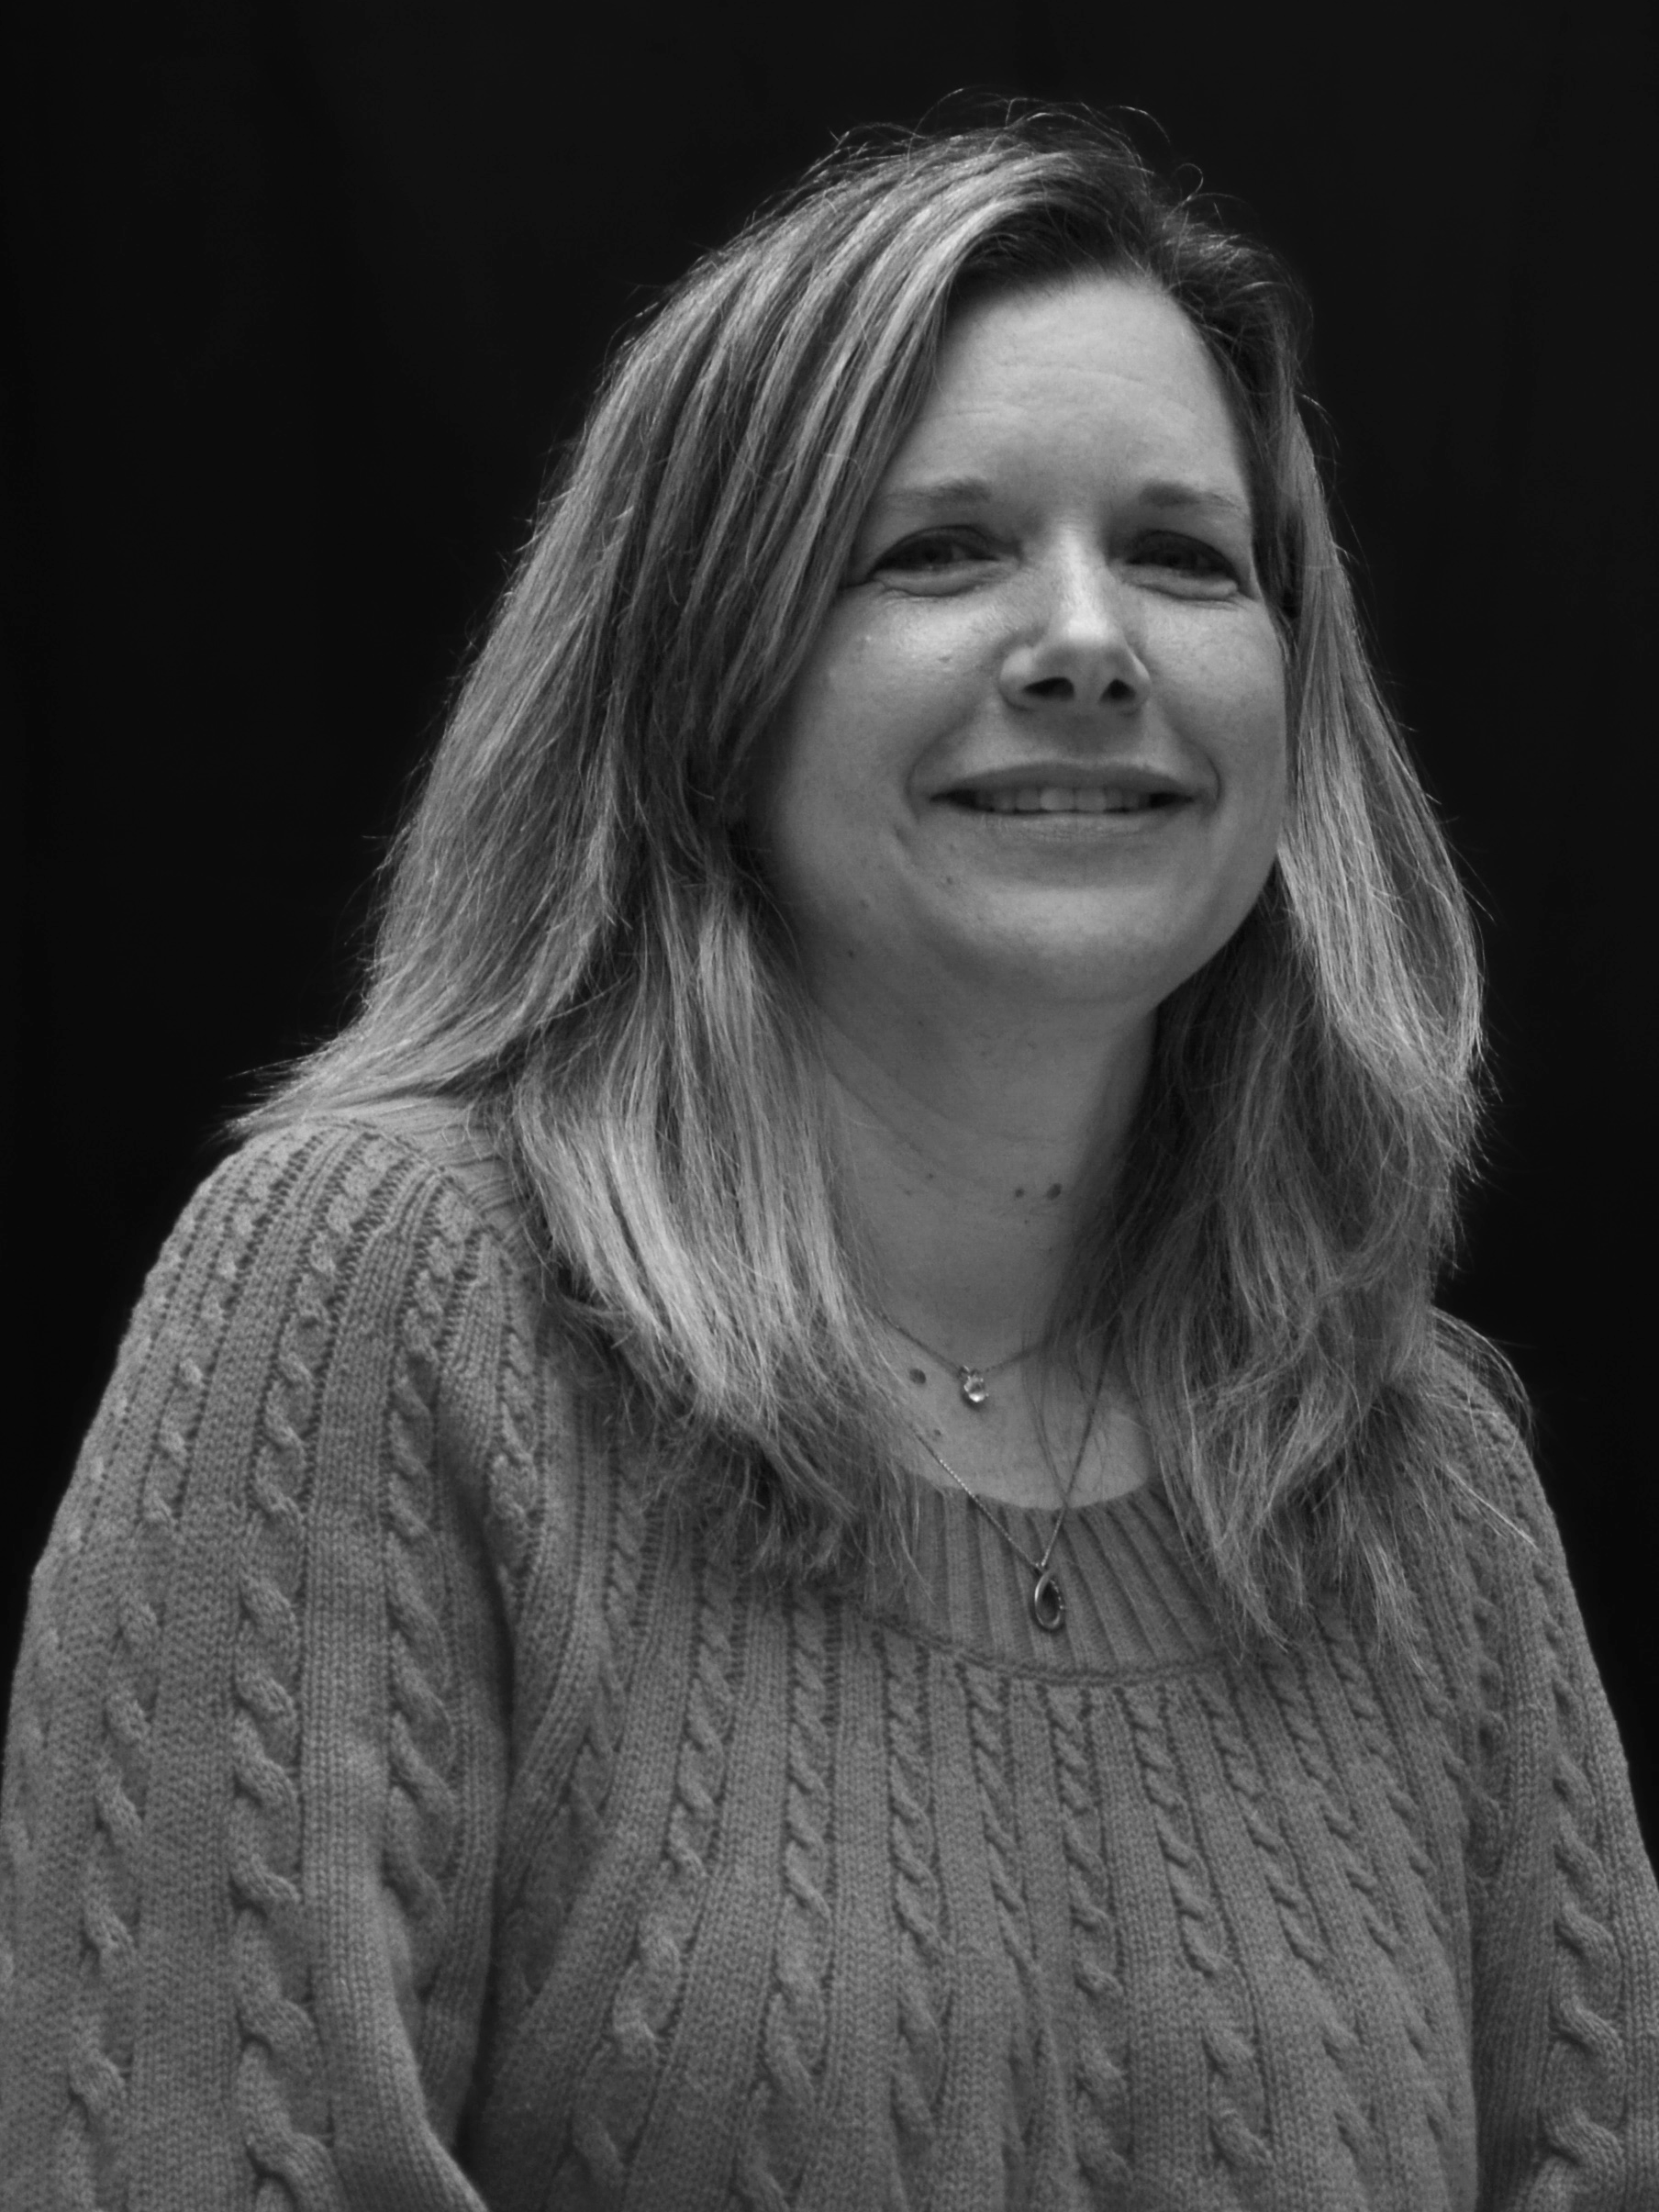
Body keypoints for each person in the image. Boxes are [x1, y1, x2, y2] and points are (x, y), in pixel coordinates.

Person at [3, 109, 1655, 2212]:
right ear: (705, 677)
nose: (1086, 640)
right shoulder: (369, 1302)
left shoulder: (1426, 1481)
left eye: (1180, 552)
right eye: (935, 548)